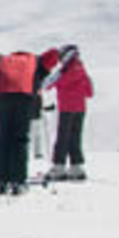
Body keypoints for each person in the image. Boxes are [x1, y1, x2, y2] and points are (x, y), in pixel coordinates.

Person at [0, 46, 56, 195]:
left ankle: (2, 180)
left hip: (3, 99)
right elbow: (53, 55)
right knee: (20, 139)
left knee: (3, 138)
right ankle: (18, 181)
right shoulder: (36, 61)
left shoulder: (2, 60)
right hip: (25, 98)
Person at [46, 45, 93, 180]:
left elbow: (47, 84)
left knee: (63, 137)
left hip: (66, 108)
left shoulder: (64, 71)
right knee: (75, 137)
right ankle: (76, 167)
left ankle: (59, 167)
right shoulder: (82, 70)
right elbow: (90, 92)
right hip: (80, 108)